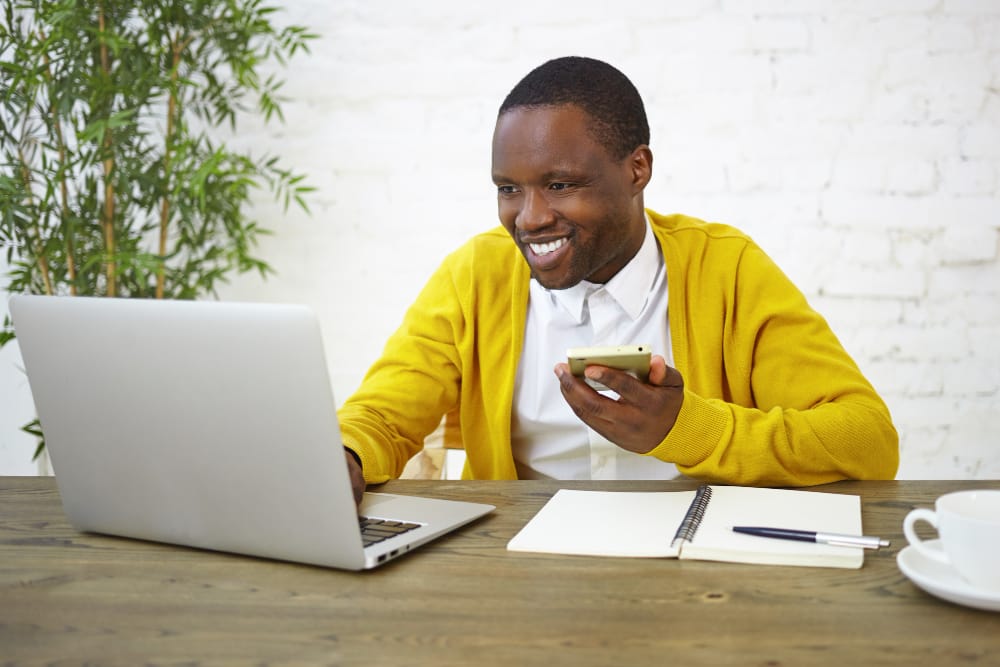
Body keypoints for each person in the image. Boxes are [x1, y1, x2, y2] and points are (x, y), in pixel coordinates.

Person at [339, 56, 898, 502]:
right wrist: (345, 457)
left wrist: (687, 427)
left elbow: (867, 440)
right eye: (509, 188)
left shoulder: (725, 269)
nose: (528, 217)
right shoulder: (476, 275)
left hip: (698, 576)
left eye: (560, 185)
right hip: (520, 576)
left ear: (638, 169)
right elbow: (382, 415)